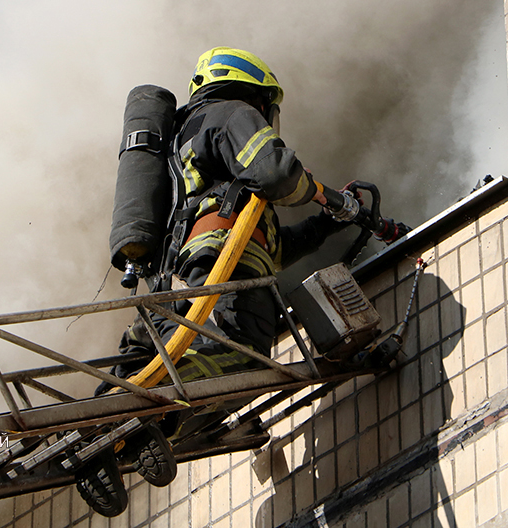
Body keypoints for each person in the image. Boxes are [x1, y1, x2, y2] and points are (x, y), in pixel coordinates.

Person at [76, 48, 357, 517]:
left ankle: (102, 429)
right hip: (213, 283)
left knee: (155, 365)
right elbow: (275, 172)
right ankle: (144, 415)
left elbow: (253, 243)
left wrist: (322, 227)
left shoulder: (182, 146)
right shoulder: (231, 113)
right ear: (256, 93)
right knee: (236, 362)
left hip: (176, 284)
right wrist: (327, 198)